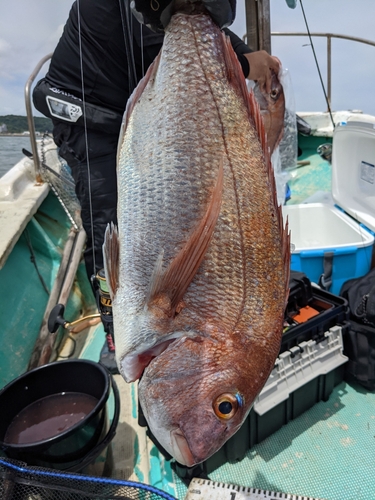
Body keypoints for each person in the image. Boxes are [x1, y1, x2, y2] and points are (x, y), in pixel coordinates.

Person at [33, 0, 280, 370]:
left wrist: (243, 54)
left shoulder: (183, 14)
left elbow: (193, 30)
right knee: (107, 232)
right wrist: (247, 63)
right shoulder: (139, 11)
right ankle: (117, 333)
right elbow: (169, 44)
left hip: (136, 105)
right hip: (87, 115)